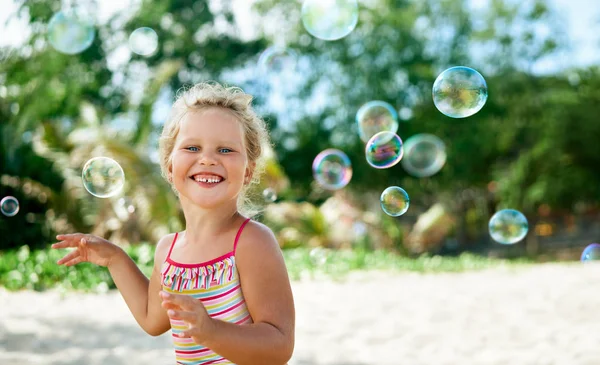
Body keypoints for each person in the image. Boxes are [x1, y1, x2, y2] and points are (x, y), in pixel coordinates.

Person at [51, 81, 295, 365]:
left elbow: (279, 345)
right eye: (192, 147)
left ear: (248, 172)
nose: (207, 159)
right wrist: (115, 259)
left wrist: (212, 331)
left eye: (225, 150)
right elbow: (152, 320)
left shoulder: (251, 241)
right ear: (169, 165)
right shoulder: (169, 249)